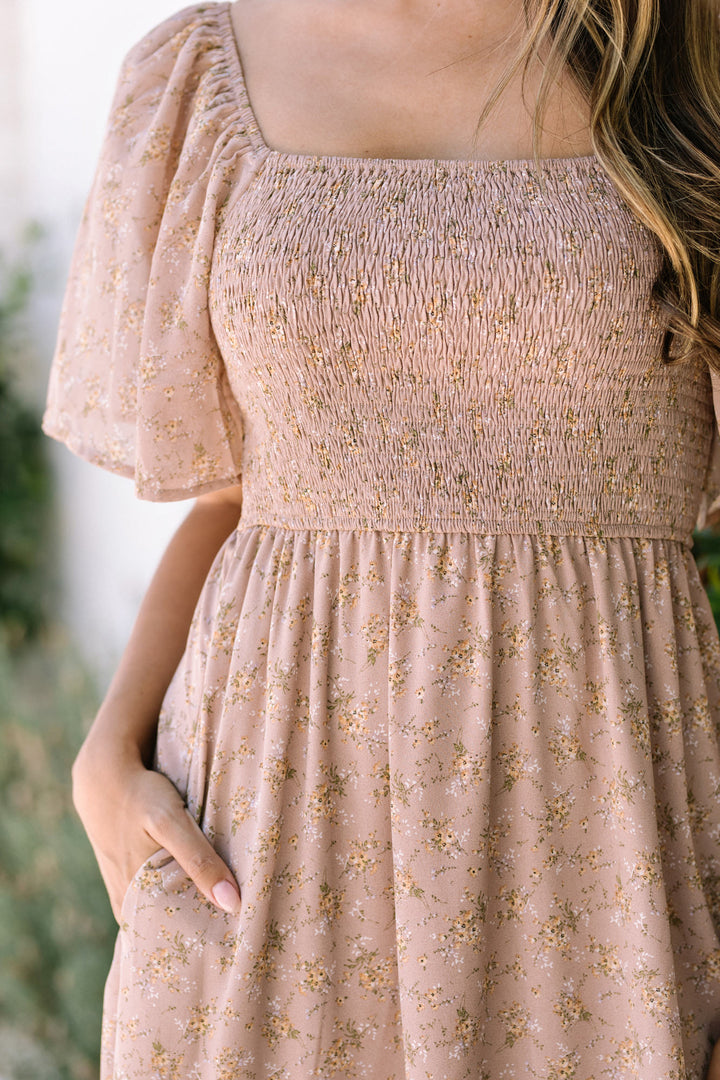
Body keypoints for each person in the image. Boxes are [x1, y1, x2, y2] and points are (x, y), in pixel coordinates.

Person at [41, 0, 720, 1076]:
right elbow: (236, 502)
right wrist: (107, 751)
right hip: (263, 852)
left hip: (602, 855)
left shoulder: (685, 52)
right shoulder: (200, 75)